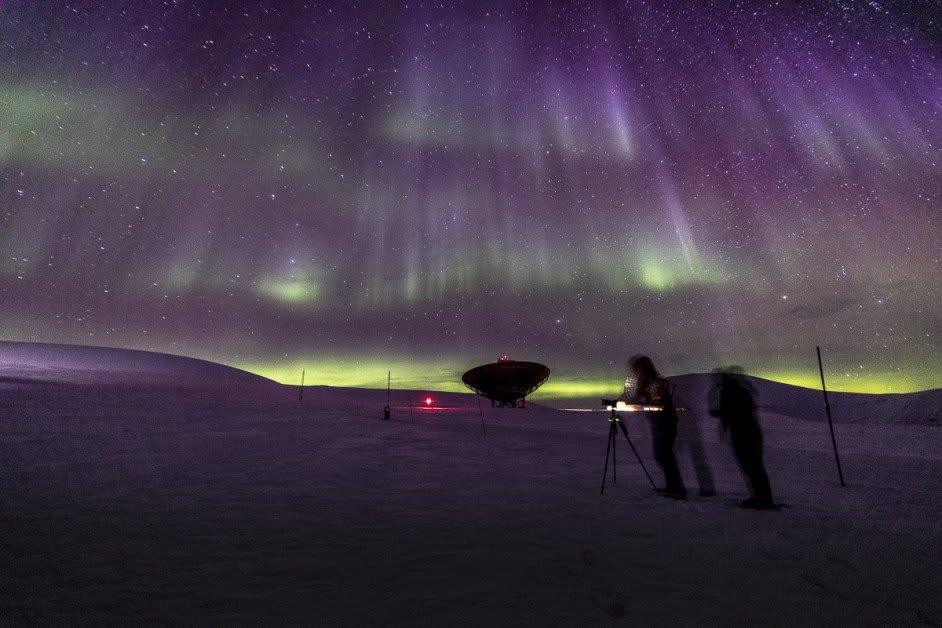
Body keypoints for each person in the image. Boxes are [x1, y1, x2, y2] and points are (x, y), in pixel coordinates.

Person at [708, 368, 774, 510]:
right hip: (748, 431)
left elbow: (732, 412)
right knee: (755, 467)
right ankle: (763, 498)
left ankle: (762, 499)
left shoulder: (730, 392)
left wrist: (718, 413)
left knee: (752, 467)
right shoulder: (739, 389)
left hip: (743, 433)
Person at [621, 355, 686, 498]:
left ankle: (676, 488)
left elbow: (656, 403)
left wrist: (640, 403)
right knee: (663, 456)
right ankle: (674, 486)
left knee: (664, 456)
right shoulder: (648, 383)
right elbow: (636, 396)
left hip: (665, 423)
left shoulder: (656, 383)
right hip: (660, 423)